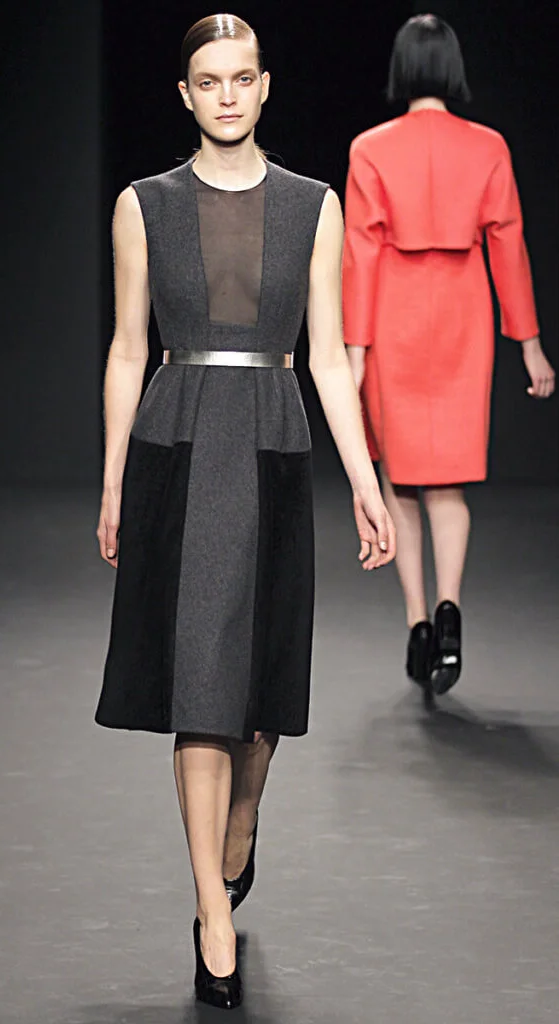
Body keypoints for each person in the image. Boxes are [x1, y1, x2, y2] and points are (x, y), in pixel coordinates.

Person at [94, 13, 395, 1010]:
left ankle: (242, 820)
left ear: (263, 86)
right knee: (200, 685)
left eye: (240, 78)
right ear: (184, 95)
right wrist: (111, 480)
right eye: (207, 81)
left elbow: (328, 358)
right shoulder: (143, 205)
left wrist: (364, 479)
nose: (225, 95)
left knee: (257, 702)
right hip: (178, 445)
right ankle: (209, 914)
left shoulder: (314, 205)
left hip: (270, 438)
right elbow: (128, 348)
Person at [342, 14, 555, 697]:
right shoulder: (487, 146)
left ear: (401, 68)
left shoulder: (370, 148)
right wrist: (529, 345)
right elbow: (508, 244)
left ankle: (415, 623)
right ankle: (448, 610)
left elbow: (360, 253)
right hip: (464, 315)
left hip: (395, 318)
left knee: (400, 480)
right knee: (448, 483)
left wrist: (353, 351)